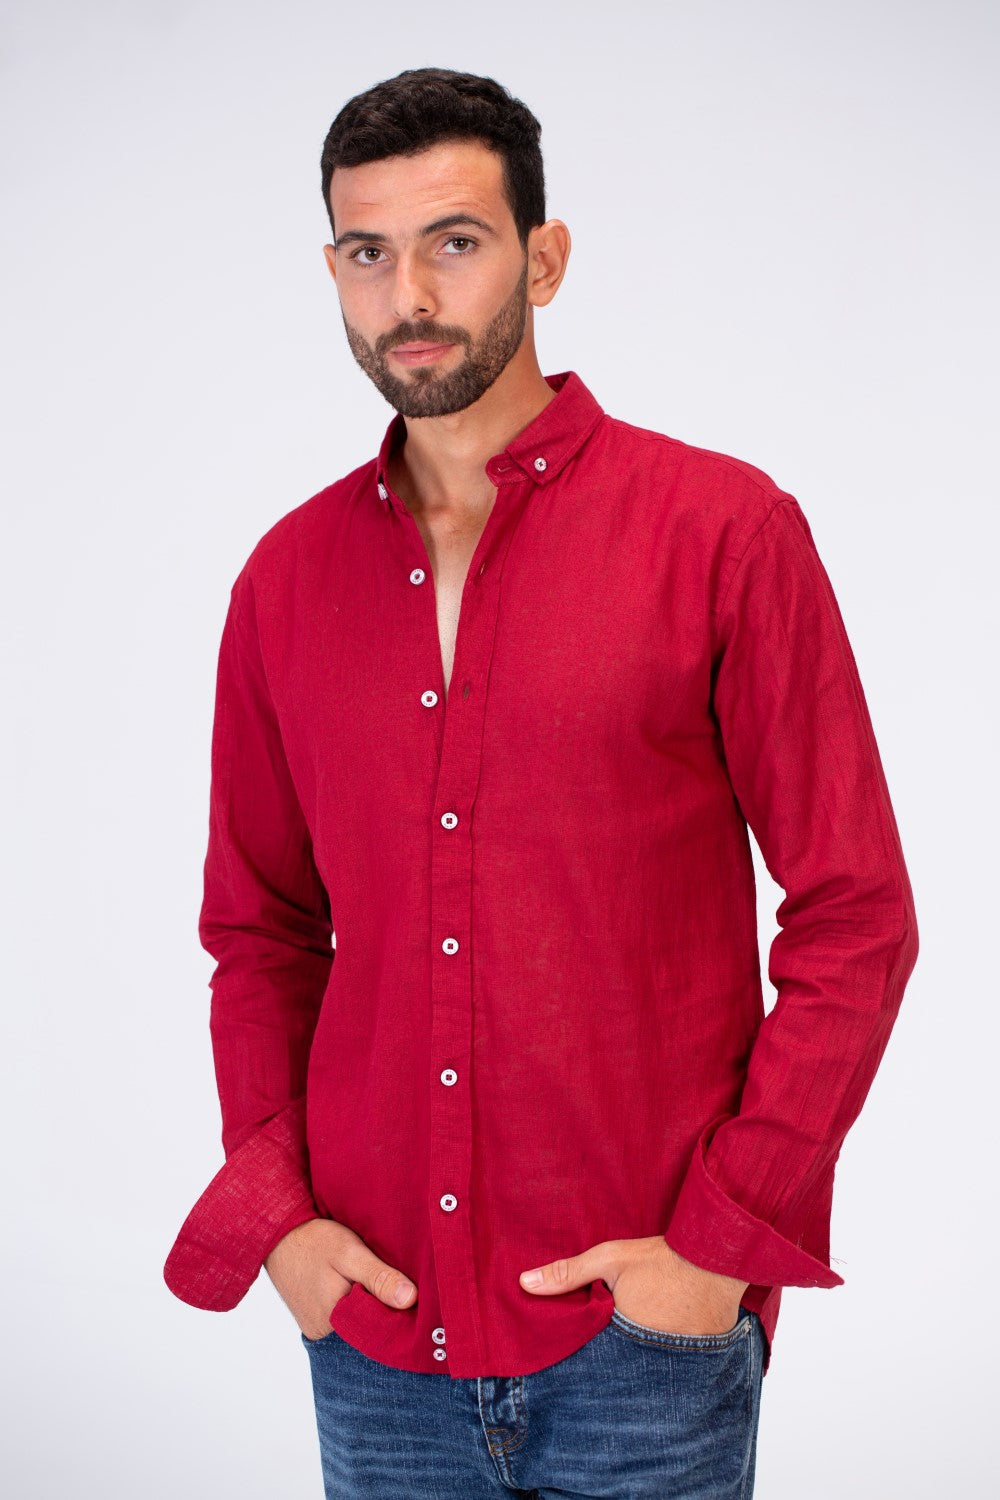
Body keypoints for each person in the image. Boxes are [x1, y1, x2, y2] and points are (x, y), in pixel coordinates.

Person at [164, 66, 919, 1499]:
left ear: (544, 258)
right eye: (368, 253)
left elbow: (856, 914)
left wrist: (719, 1244)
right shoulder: (284, 583)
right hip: (377, 1337)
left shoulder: (721, 533)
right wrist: (282, 1228)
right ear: (333, 272)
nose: (408, 297)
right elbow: (259, 932)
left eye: (453, 242)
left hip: (645, 1343)